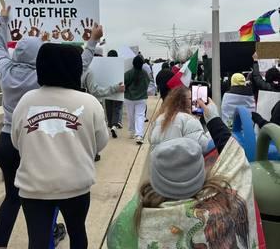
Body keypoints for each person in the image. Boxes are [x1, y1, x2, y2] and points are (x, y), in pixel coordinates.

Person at [0, 6, 103, 249]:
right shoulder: (41, 80)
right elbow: (78, 66)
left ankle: (1, 245)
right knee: (61, 202)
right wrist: (92, 42)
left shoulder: (4, 71)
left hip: (7, 141)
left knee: (12, 199)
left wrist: (3, 21)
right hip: (38, 144)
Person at [107, 99, 262, 249]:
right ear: (201, 172)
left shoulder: (136, 220)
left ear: (154, 179)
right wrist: (213, 119)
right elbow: (237, 159)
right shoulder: (224, 205)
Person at [11, 43, 109, 249]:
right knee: (78, 233)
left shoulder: (26, 101)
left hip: (34, 187)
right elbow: (101, 142)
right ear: (75, 68)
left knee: (37, 240)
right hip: (76, 185)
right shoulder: (90, 103)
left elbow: (16, 140)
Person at [149, 86, 211, 153]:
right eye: (191, 99)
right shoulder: (189, 119)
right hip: (182, 162)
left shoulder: (159, 118)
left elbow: (151, 140)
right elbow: (203, 146)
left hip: (160, 161)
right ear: (182, 101)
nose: (195, 101)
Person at [124, 55, 150, 144]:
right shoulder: (145, 73)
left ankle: (131, 131)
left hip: (129, 98)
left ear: (133, 63)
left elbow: (123, 85)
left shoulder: (128, 73)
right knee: (140, 116)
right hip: (141, 98)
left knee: (130, 115)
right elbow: (147, 84)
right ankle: (139, 135)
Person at [104, 50, 124, 137]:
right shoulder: (120, 65)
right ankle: (114, 125)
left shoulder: (105, 66)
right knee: (117, 108)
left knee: (109, 108)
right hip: (118, 89)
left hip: (108, 90)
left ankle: (110, 124)